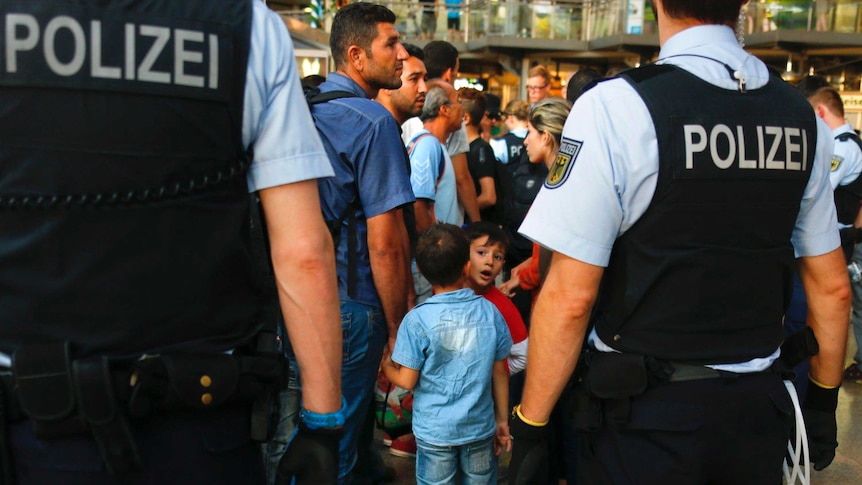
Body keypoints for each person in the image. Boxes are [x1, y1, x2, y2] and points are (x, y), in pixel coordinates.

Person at [0, 1, 344, 484]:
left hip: (27, 432)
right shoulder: (249, 28)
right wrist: (323, 424)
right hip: (201, 426)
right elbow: (303, 249)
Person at [510, 1, 850, 484]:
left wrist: (531, 425)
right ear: (743, 5)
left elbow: (571, 296)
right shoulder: (801, 116)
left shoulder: (615, 107)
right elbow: (831, 287)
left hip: (643, 423)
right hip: (756, 412)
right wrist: (822, 401)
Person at [304, 3, 414, 483]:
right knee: (341, 445)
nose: (402, 53)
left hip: (294, 300)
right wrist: (396, 328)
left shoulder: (302, 106)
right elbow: (386, 242)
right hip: (353, 305)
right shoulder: (373, 120)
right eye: (391, 43)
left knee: (301, 437)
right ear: (356, 55)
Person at [380, 223, 513, 485]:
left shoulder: (416, 320)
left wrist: (386, 366)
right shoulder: (489, 312)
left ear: (419, 269)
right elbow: (500, 372)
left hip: (435, 432)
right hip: (479, 428)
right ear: (467, 266)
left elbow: (406, 381)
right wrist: (502, 420)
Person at [805, 87, 862, 382]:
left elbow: (820, 186)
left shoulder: (842, 146)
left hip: (838, 240)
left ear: (819, 112)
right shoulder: (850, 143)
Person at [403, 41, 482, 224]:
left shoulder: (434, 144)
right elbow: (418, 205)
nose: (462, 109)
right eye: (457, 102)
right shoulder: (428, 144)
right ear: (444, 110)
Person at [465, 222, 529, 377]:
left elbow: (523, 355)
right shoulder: (446, 290)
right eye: (482, 252)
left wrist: (490, 377)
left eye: (497, 256)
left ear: (502, 266)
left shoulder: (502, 305)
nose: (490, 261)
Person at [460, 88, 505, 225]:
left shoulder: (481, 149)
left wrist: (460, 210)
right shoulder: (463, 148)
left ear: (466, 118)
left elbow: (489, 196)